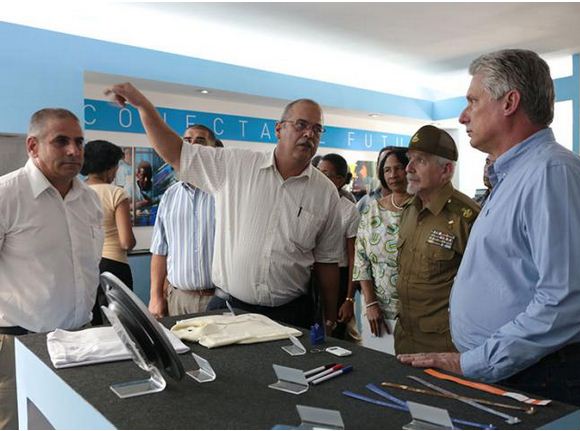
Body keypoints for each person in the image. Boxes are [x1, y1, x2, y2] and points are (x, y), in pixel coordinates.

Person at [398, 49, 580, 430]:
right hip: (523, 370)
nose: (464, 116)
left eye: (473, 101)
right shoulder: (517, 176)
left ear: (510, 102)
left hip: (546, 375)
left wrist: (475, 361)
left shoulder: (552, 173)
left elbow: (568, 299)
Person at [105, 83, 342, 332]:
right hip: (229, 311)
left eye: (317, 129)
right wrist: (144, 106)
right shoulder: (237, 166)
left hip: (291, 315)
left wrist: (328, 317)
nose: (309, 134)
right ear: (279, 129)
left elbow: (327, 261)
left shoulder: (325, 193)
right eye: (301, 125)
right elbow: (176, 153)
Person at [0, 108, 103, 429]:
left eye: (79, 142)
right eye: (61, 141)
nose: (74, 151)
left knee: (75, 422)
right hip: (18, 342)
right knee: (17, 424)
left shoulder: (89, 200)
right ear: (33, 146)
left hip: (81, 341)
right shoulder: (7, 195)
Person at [395, 125, 479, 355]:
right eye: (409, 159)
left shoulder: (467, 218)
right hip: (405, 337)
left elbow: (484, 289)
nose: (408, 168)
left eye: (420, 161)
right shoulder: (409, 210)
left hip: (444, 347)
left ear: (446, 170)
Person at [148, 125, 218, 318]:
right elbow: (159, 251)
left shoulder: (225, 194)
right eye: (187, 141)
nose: (192, 146)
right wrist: (155, 297)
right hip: (178, 299)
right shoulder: (170, 196)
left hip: (218, 300)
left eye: (201, 141)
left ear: (214, 149)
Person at [352, 148, 411, 354]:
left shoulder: (425, 208)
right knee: (379, 368)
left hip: (418, 314)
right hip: (379, 312)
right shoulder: (372, 209)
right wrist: (370, 304)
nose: (393, 175)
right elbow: (361, 260)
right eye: (387, 170)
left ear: (410, 168)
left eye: (399, 168)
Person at [82, 140, 136, 325]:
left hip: (84, 267)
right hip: (114, 266)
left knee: (93, 324)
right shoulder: (116, 193)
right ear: (108, 167)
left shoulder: (77, 192)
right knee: (120, 325)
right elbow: (126, 242)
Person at [317, 153, 361, 339]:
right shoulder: (310, 202)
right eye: (317, 172)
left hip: (339, 277)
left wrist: (349, 299)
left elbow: (353, 258)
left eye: (326, 174)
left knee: (335, 333)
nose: (319, 177)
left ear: (339, 180)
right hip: (310, 277)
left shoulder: (348, 210)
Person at [356, 146, 396, 213]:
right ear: (377, 169)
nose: (392, 174)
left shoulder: (412, 204)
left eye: (397, 168)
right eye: (386, 168)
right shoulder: (366, 202)